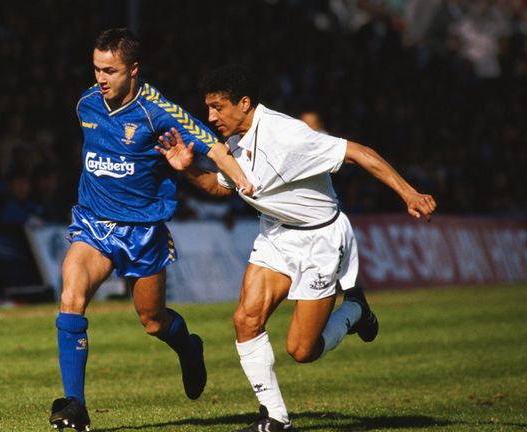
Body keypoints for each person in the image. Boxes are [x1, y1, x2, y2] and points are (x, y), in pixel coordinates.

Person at [157, 64, 437, 432]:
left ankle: (355, 310)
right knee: (245, 320)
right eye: (207, 107)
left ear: (244, 103)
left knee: (302, 350)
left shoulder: (287, 134)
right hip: (276, 235)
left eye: (217, 107)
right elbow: (221, 188)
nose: (210, 116)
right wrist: (187, 169)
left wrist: (409, 194)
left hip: (320, 239)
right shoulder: (232, 145)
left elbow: (359, 152)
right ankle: (275, 418)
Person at [49, 29, 254, 431]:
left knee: (153, 321)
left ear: (134, 70)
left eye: (110, 70)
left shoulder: (157, 110)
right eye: (96, 69)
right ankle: (75, 405)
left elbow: (214, 147)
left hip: (142, 231)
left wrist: (244, 183)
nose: (101, 78)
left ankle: (189, 347)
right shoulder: (86, 105)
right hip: (93, 223)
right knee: (71, 296)